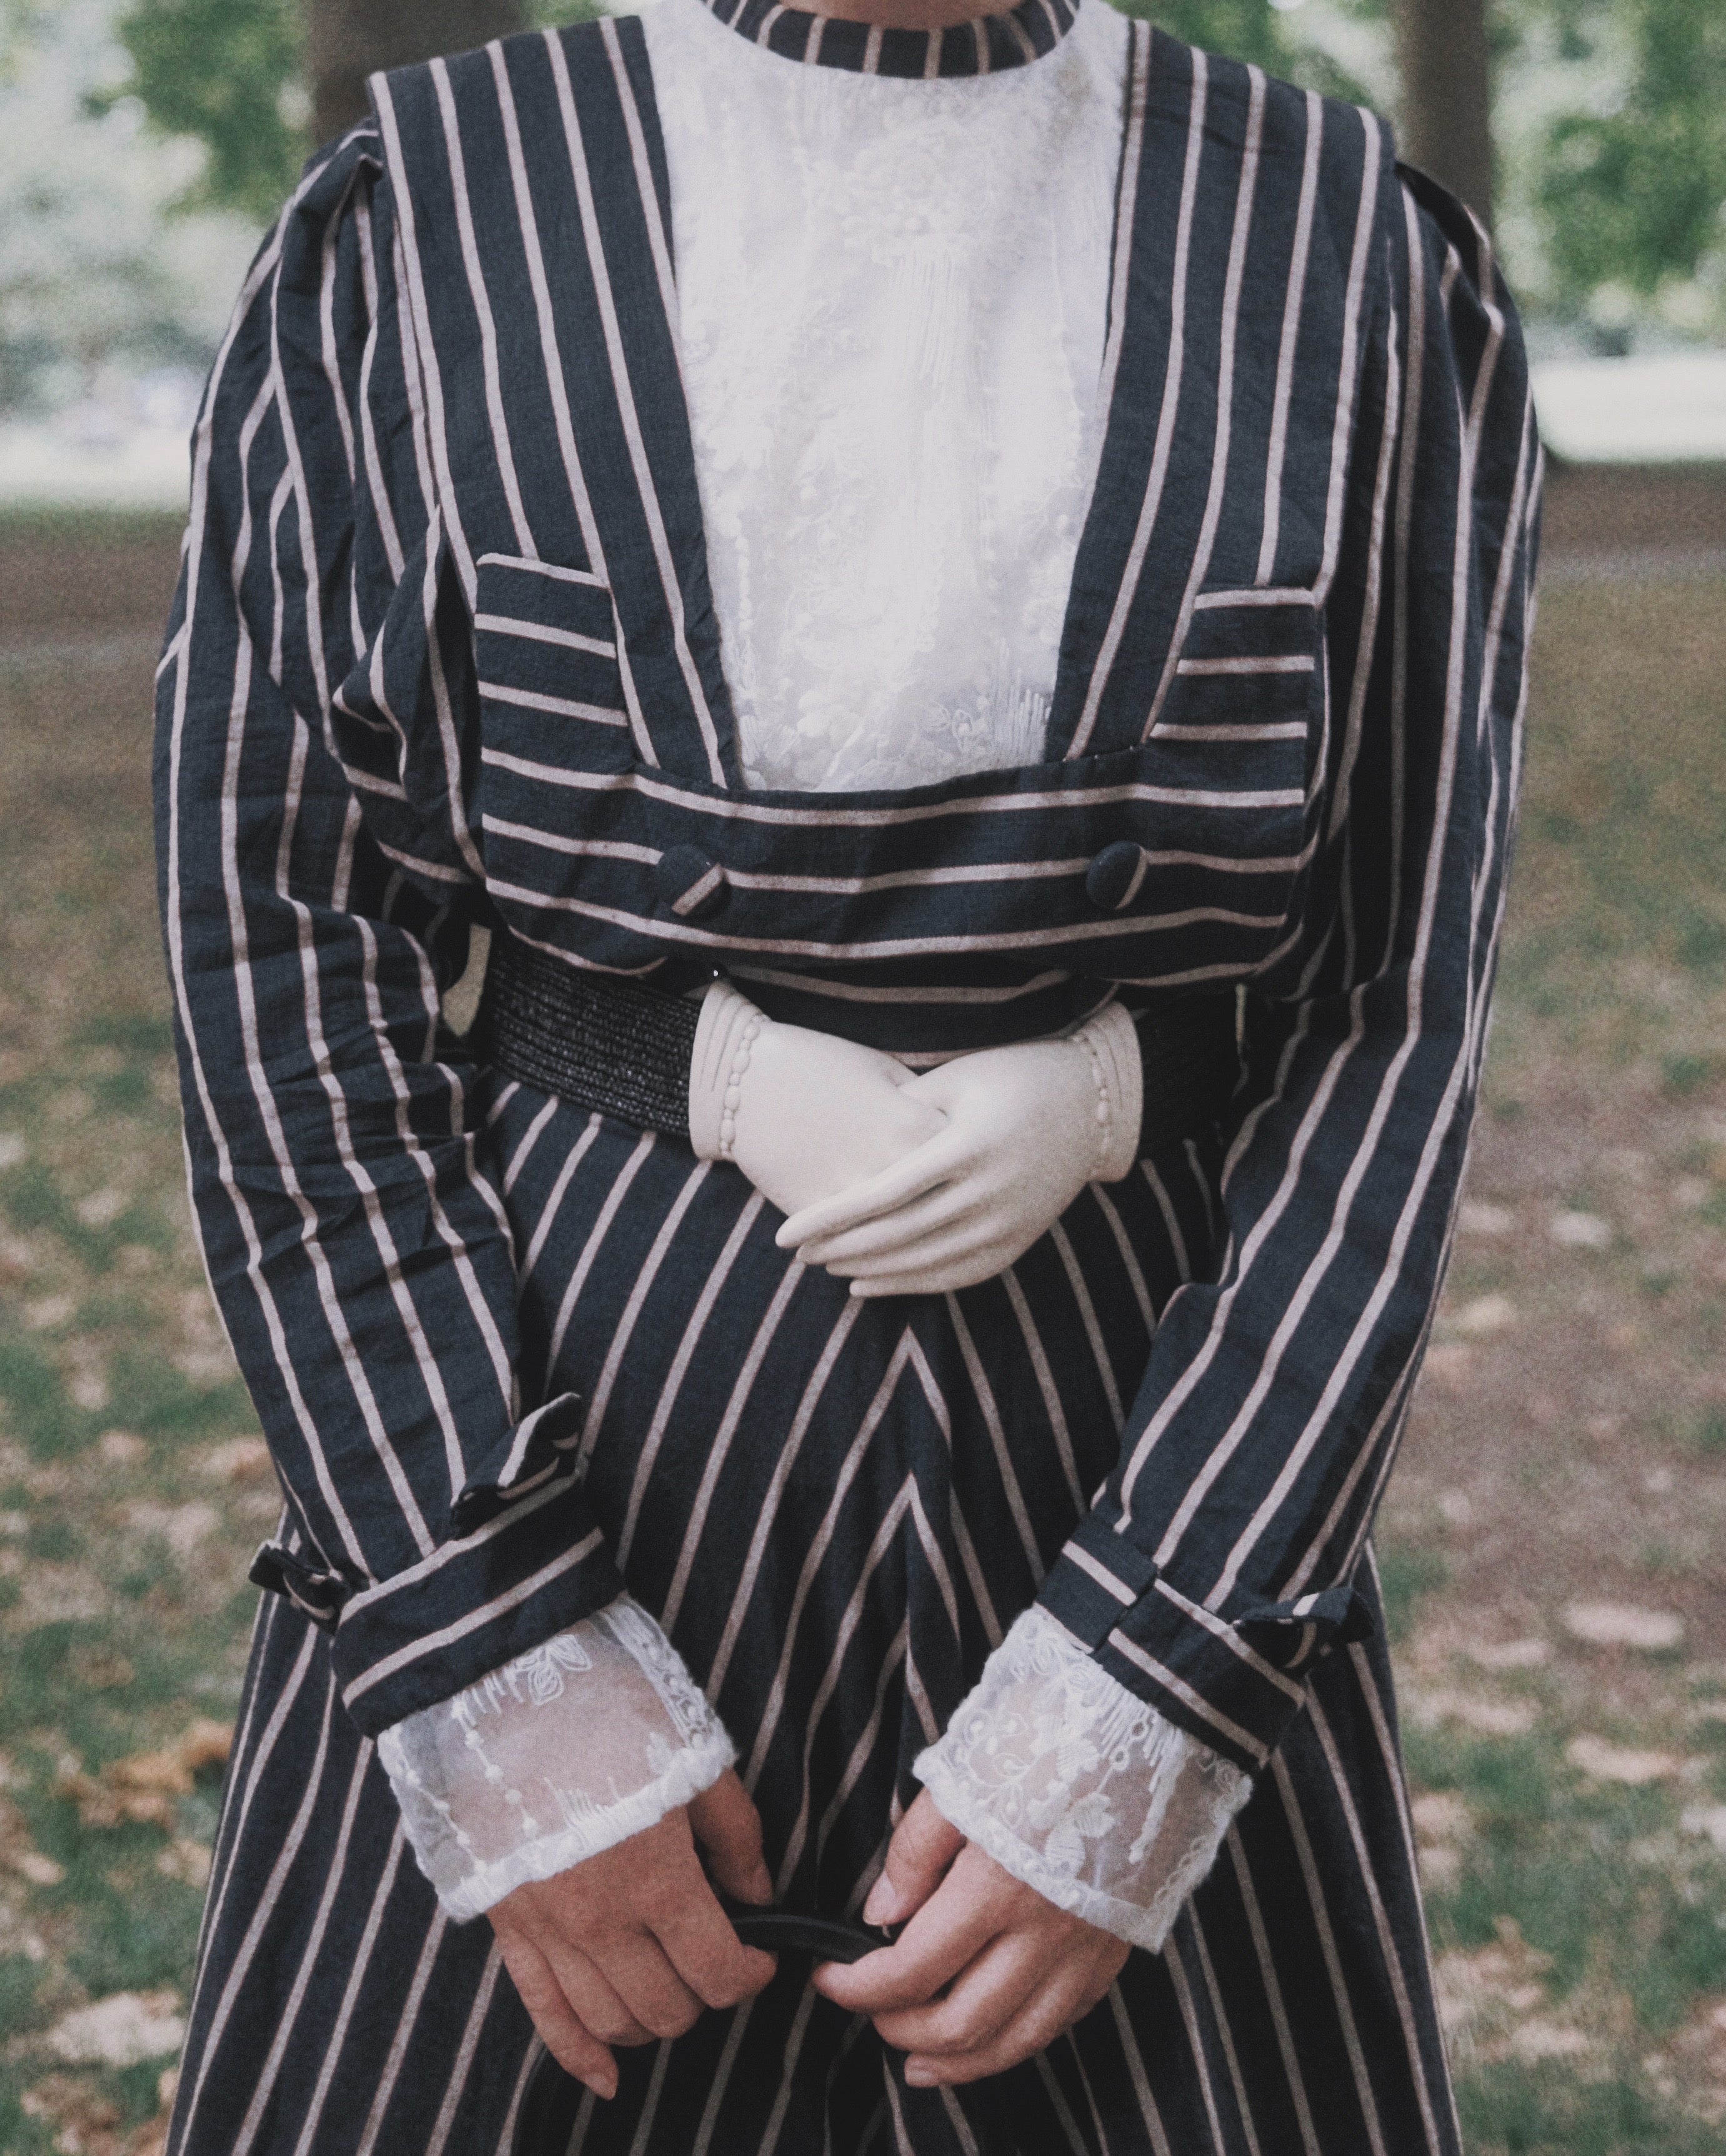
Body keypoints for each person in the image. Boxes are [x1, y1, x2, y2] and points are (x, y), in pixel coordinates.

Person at [152, 0, 1539, 2145]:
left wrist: (1151, 1681)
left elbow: (1394, 1000)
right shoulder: (425, 220)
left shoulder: (1348, 247)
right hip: (576, 1444)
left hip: (1133, 1455)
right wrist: (489, 1648)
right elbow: (277, 942)